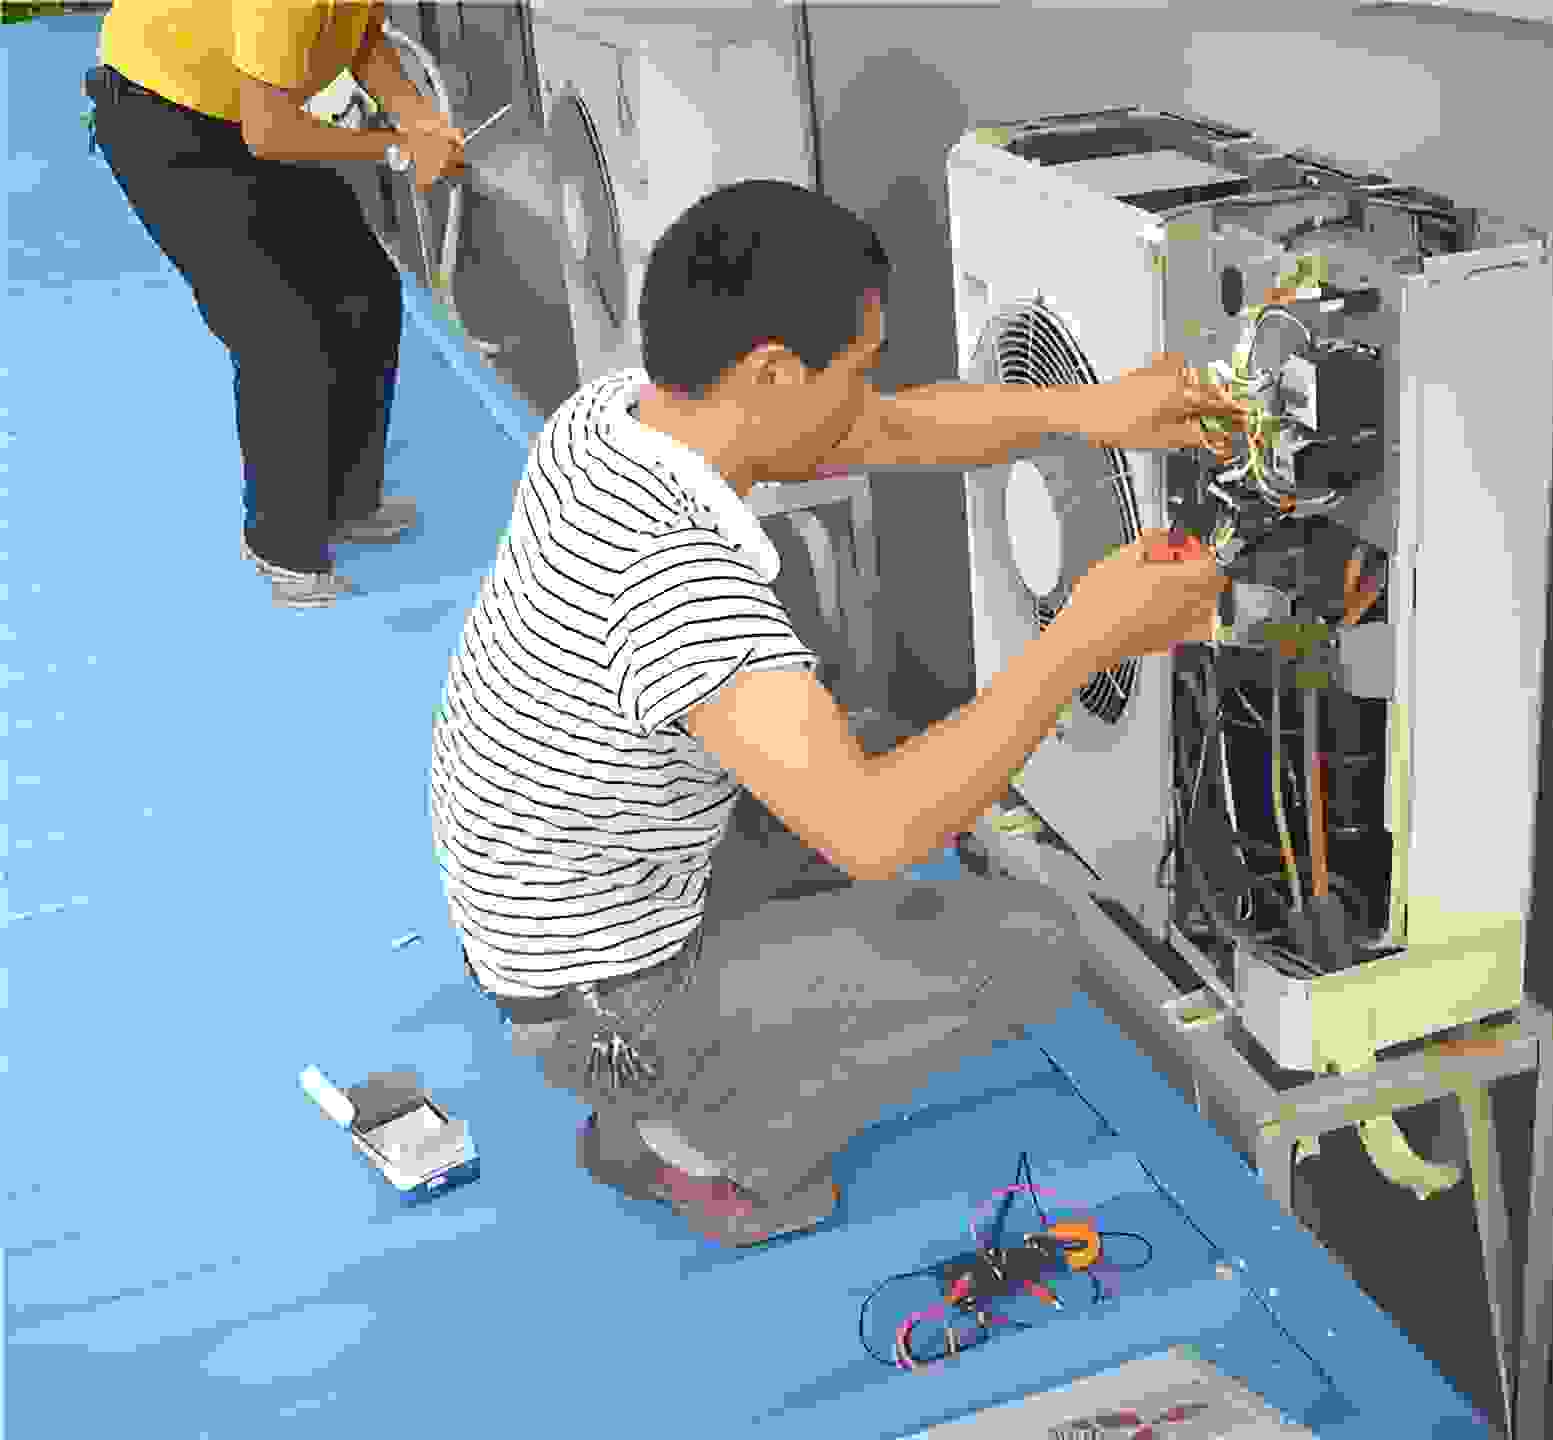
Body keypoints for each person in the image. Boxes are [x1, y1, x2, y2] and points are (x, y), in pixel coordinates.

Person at [429, 178, 1244, 1246]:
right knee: (1029, 946)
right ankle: (701, 1147)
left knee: (879, 756)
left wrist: (1090, 412)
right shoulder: (680, 589)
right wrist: (1084, 637)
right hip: (594, 992)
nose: (870, 396)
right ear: (771, 371)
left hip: (546, 897)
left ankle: (657, 1070)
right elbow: (874, 834)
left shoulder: (618, 416)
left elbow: (888, 427)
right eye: (855, 367)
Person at [86, 1, 466, 607]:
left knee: (365, 286)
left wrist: (420, 120)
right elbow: (270, 134)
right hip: (161, 117)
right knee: (282, 331)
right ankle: (282, 544)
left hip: (250, 106)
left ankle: (348, 500)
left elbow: (363, 38)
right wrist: (397, 145)